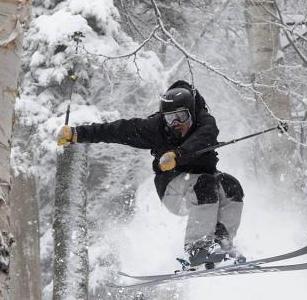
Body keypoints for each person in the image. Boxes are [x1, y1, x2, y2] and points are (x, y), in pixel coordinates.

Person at [56, 81, 245, 267]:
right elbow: (118, 131)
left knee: (231, 186)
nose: (176, 123)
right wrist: (76, 134)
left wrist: (178, 155)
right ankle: (197, 248)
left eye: (181, 116)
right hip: (173, 189)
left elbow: (203, 138)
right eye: (170, 118)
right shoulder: (157, 128)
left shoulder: (205, 122)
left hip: (202, 186)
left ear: (192, 113)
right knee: (204, 184)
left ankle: (222, 241)